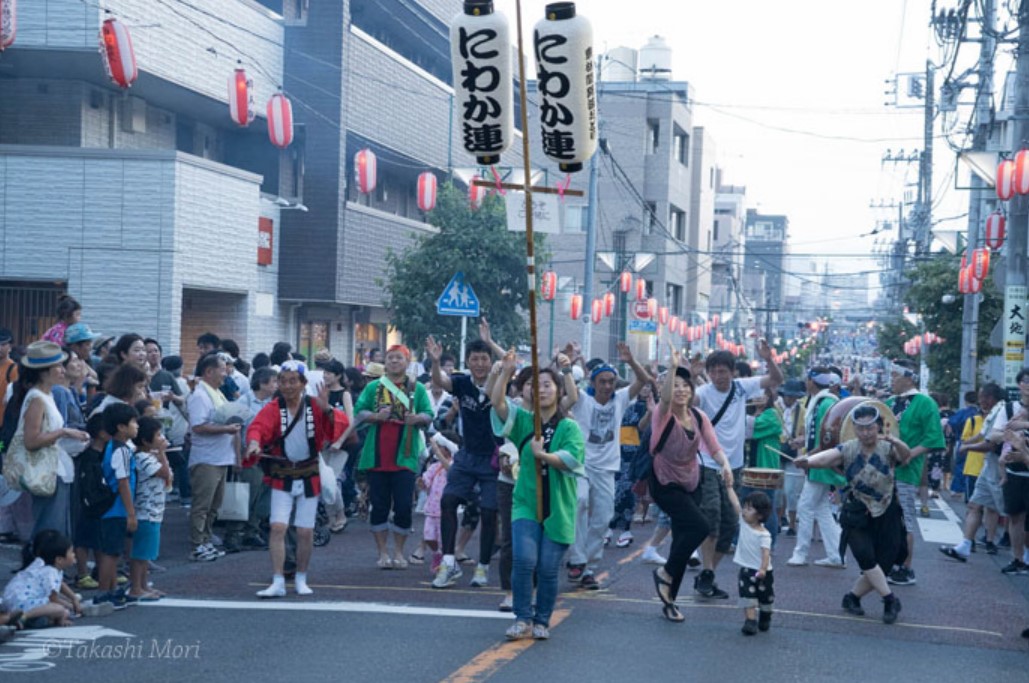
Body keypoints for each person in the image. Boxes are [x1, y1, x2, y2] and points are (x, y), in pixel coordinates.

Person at [490, 348, 585, 640]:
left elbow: (572, 459)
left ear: (558, 391)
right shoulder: (522, 420)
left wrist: (544, 455)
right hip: (526, 501)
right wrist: (506, 371)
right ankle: (522, 617)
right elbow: (497, 402)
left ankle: (542, 619)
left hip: (559, 505)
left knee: (546, 567)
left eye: (547, 384)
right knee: (523, 560)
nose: (541, 389)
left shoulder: (569, 426)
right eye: (535, 384)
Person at [796, 403, 910, 624]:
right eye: (861, 428)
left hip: (887, 511)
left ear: (878, 427)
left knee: (883, 563)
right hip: (856, 512)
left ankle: (852, 597)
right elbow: (827, 457)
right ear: (854, 429)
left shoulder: (888, 448)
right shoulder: (848, 448)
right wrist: (807, 462)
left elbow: (906, 457)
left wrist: (895, 440)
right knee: (865, 557)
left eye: (870, 428)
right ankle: (889, 599)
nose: (866, 432)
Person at [693, 341, 783, 599]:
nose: (719, 376)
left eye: (723, 371)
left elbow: (776, 378)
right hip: (707, 462)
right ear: (708, 373)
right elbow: (687, 399)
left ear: (733, 372)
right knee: (711, 516)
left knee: (731, 523)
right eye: (714, 371)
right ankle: (708, 572)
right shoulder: (704, 392)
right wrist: (689, 372)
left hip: (735, 466)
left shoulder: (742, 388)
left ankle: (707, 575)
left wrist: (769, 358)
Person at [245, 360, 341, 597]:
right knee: (277, 527)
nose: (287, 386)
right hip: (282, 474)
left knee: (305, 531)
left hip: (309, 474)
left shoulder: (315, 405)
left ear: (303, 383)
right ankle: (278, 579)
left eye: (292, 381)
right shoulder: (273, 408)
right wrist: (254, 443)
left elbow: (336, 428)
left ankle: (301, 577)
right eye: (283, 381)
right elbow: (258, 427)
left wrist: (327, 409)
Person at [649, 345, 729, 623]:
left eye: (686, 385)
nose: (681, 390)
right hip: (664, 482)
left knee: (683, 539)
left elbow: (713, 446)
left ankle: (669, 598)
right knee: (700, 527)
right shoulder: (663, 413)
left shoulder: (698, 416)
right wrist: (672, 368)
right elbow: (667, 394)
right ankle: (665, 574)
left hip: (691, 481)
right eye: (676, 385)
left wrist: (725, 464)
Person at [566, 342, 650, 590]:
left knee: (603, 519)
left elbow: (644, 380)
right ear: (593, 382)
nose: (606, 386)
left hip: (607, 469)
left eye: (610, 382)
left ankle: (589, 568)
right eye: (601, 381)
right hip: (580, 465)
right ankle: (577, 559)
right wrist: (568, 364)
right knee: (579, 503)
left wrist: (631, 360)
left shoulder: (621, 399)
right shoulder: (581, 399)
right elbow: (566, 387)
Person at [425, 329, 503, 589]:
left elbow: (510, 365)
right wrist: (435, 362)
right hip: (466, 456)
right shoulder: (461, 382)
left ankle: (482, 567)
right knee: (448, 500)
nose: (480, 364)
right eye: (475, 359)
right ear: (467, 361)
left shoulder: (499, 382)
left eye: (484, 358)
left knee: (490, 511)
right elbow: (441, 382)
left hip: (493, 459)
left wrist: (492, 343)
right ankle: (449, 563)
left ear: (490, 362)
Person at [354, 345, 432, 570]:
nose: (394, 362)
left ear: (407, 362)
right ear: (385, 362)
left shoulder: (416, 389)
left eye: (399, 358)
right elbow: (358, 413)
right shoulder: (373, 387)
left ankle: (399, 551)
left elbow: (429, 415)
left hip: (405, 455)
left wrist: (416, 418)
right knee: (378, 505)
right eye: (391, 358)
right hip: (377, 454)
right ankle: (382, 552)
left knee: (404, 505)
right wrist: (376, 416)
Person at [6, 342, 89, 539]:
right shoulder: (37, 398)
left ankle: (47, 565)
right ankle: (42, 566)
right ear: (43, 372)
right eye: (58, 366)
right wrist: (63, 432)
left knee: (54, 524)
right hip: (47, 470)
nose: (62, 370)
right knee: (49, 525)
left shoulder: (46, 394)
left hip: (54, 467)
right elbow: (31, 440)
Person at [884, 359, 945, 586]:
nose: (892, 380)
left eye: (895, 376)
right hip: (885, 468)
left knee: (905, 519)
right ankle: (886, 562)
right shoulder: (889, 402)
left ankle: (906, 567)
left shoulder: (925, 403)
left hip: (907, 469)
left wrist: (909, 454)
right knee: (885, 518)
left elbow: (933, 438)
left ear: (909, 377)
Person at [939, 383, 1009, 561]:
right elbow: (983, 435)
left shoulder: (1002, 411)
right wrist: (968, 442)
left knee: (1009, 511)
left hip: (998, 465)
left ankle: (1017, 552)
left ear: (990, 398)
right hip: (988, 465)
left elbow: (990, 444)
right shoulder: (992, 412)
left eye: (982, 397)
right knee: (976, 504)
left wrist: (967, 447)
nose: (980, 401)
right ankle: (965, 545)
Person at [787, 368, 845, 568]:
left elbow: (827, 440)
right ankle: (836, 554)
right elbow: (819, 436)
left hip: (822, 462)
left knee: (805, 506)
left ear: (812, 381)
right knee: (822, 509)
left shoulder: (825, 403)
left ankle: (801, 553)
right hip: (820, 460)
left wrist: (808, 456)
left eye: (807, 378)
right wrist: (802, 443)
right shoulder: (824, 401)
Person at [186, 353, 240, 562]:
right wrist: (226, 428)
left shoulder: (216, 392)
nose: (225, 373)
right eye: (222, 369)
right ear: (209, 371)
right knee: (202, 504)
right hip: (206, 458)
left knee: (214, 505)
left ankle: (206, 540)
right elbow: (198, 426)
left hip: (220, 456)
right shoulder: (200, 395)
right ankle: (196, 544)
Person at [94, 402, 139, 609]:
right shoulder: (121, 450)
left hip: (113, 507)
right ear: (121, 427)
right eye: (133, 422)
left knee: (113, 552)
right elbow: (122, 482)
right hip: (116, 507)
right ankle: (104, 592)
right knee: (111, 553)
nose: (136, 426)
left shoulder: (115, 446)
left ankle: (113, 590)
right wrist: (131, 513)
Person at [127, 416, 171, 601]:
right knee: (140, 554)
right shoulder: (142, 457)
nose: (162, 438)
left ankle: (144, 585)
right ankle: (136, 587)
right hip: (145, 511)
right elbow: (164, 473)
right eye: (158, 435)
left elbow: (168, 478)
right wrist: (162, 453)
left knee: (146, 554)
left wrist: (160, 454)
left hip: (154, 511)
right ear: (146, 440)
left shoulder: (149, 456)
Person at [2, 530, 81, 628]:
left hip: (12, 601)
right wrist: (72, 606)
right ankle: (23, 617)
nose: (74, 554)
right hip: (22, 603)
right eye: (71, 552)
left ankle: (28, 619)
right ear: (59, 559)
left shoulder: (44, 565)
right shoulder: (50, 571)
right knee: (60, 609)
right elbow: (53, 599)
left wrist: (73, 598)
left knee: (59, 611)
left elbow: (59, 584)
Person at [608, 382, 653, 549]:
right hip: (611, 451)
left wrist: (649, 413)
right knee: (609, 492)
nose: (645, 388)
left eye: (647, 386)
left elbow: (642, 427)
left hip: (632, 454)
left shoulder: (644, 406)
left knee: (627, 491)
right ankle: (609, 528)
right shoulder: (614, 404)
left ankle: (625, 529)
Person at [728, 489, 774, 635]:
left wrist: (763, 569)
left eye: (749, 508)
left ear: (759, 515)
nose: (745, 511)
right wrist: (729, 487)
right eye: (745, 507)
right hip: (746, 569)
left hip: (763, 571)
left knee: (766, 598)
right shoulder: (743, 523)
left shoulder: (764, 535)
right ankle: (750, 621)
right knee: (747, 596)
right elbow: (735, 502)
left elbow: (766, 554)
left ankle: (765, 616)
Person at [998, 368, 1029, 574]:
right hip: (1015, 471)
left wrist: (1024, 424)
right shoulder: (1008, 408)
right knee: (1015, 516)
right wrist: (1010, 436)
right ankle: (1018, 559)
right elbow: (994, 434)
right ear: (1019, 384)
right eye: (1026, 381)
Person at [778, 379, 807, 535]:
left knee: (790, 491)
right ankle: (778, 519)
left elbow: (804, 433)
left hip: (792, 452)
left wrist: (800, 440)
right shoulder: (775, 408)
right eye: (789, 396)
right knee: (778, 490)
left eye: (794, 396)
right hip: (776, 450)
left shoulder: (802, 411)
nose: (791, 399)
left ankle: (791, 525)